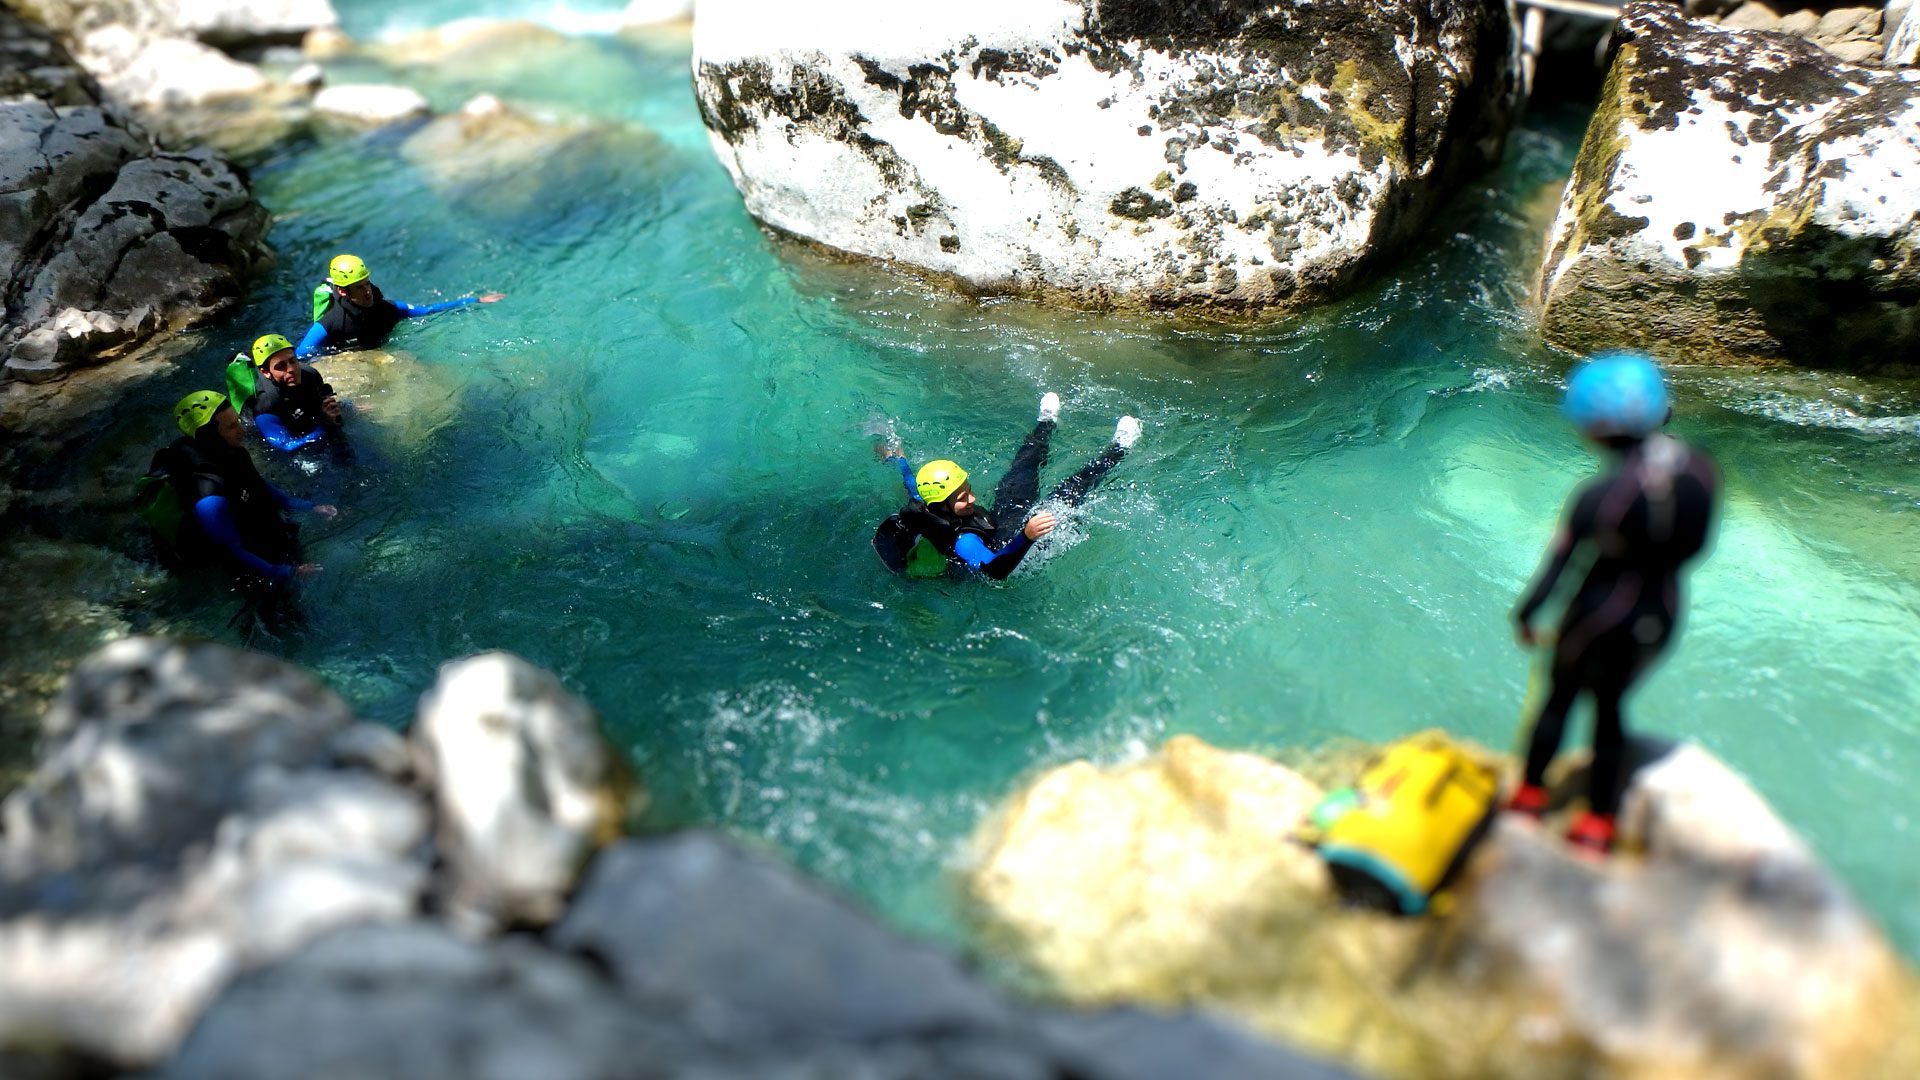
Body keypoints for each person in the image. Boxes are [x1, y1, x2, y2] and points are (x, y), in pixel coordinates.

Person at [1508, 352, 1718, 854]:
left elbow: (1558, 571)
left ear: (1597, 427)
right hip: (1662, 613)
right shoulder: (1702, 471)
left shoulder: (1599, 495)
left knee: (1559, 698)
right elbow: (1697, 548)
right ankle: (1600, 823)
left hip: (1600, 614)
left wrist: (1525, 616)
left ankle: (1530, 797)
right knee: (1610, 708)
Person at [873, 392, 1142, 580]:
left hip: (1000, 524)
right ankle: (1119, 449)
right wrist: (1027, 536)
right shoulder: (962, 541)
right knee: (1068, 494)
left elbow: (911, 482)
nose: (973, 497)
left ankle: (1045, 423)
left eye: (968, 488)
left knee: (1021, 470)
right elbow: (995, 572)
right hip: (1009, 550)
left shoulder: (928, 502)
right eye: (962, 496)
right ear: (941, 505)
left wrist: (898, 458)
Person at [142, 390, 337, 588]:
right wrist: (289, 573)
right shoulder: (208, 496)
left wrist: (311, 507)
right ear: (210, 437)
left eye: (238, 421)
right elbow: (233, 551)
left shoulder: (232, 451)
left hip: (246, 527)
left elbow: (258, 486)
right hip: (235, 552)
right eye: (232, 426)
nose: (242, 430)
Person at [295, 253, 505, 358]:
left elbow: (429, 310)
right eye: (358, 287)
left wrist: (475, 301)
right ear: (343, 291)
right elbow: (302, 354)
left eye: (367, 283)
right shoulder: (330, 323)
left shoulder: (388, 309)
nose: (367, 291)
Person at [239, 333, 344, 452]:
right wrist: (324, 425)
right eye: (281, 366)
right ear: (266, 372)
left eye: (292, 360)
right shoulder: (265, 405)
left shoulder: (310, 375)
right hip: (269, 428)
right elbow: (286, 446)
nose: (291, 369)